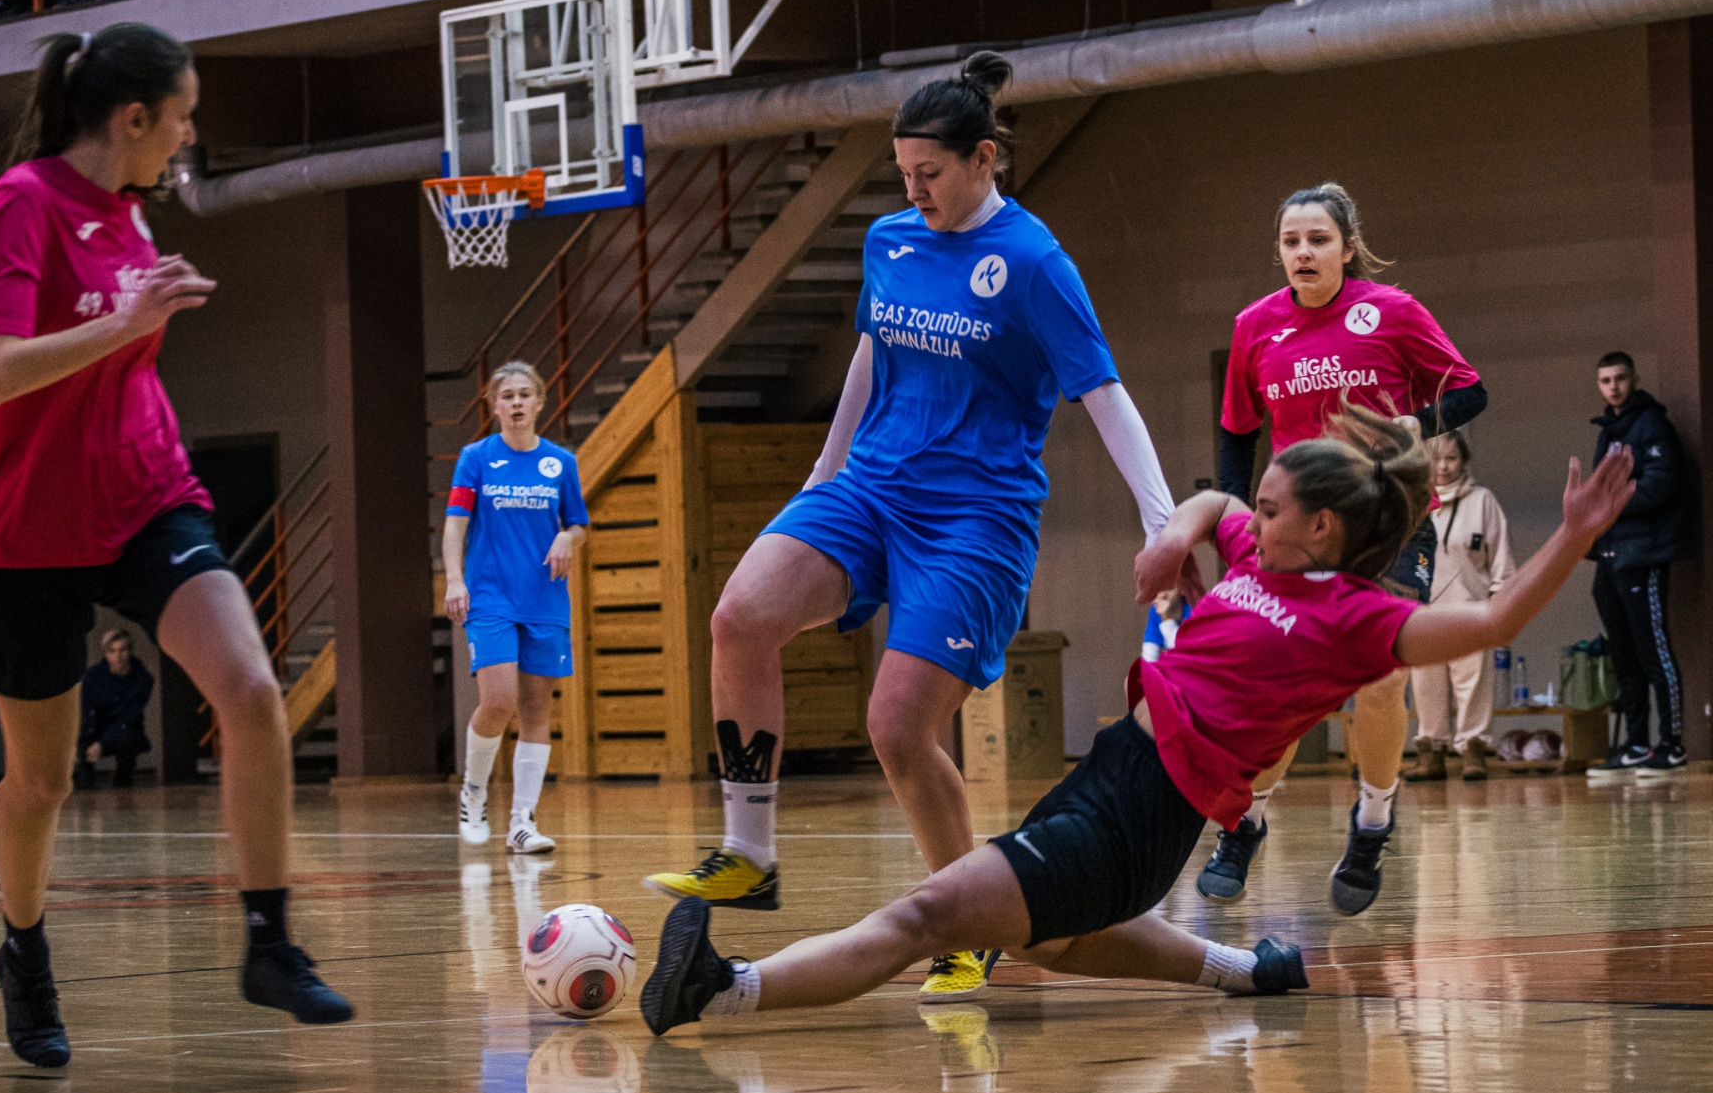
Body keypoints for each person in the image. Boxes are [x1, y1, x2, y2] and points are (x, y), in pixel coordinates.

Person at [639, 411, 1637, 1037]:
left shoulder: (1356, 620)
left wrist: (1576, 534)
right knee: (1058, 944)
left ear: (1322, 528)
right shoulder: (1257, 554)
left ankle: (722, 989)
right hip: (1112, 771)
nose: (1256, 514)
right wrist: (1170, 540)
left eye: (1275, 507)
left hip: (1144, 817)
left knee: (930, 916)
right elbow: (1211, 501)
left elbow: (1494, 622)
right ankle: (1247, 972)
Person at [644, 52, 1179, 1003]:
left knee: (896, 727)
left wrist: (1162, 523)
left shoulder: (1034, 262)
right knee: (740, 616)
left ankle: (968, 923)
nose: (912, 190)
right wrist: (823, 472)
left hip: (975, 519)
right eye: (902, 173)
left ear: (983, 160)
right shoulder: (889, 239)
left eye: (928, 173)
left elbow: (1104, 394)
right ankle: (749, 853)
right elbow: (871, 353)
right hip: (871, 487)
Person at [0, 23, 352, 1069]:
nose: (188, 135)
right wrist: (125, 321)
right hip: (30, 528)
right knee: (42, 785)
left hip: (147, 495)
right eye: (180, 117)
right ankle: (24, 948)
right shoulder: (23, 203)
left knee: (252, 691)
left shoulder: (133, 214)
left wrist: (142, 308)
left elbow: (125, 343)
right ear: (134, 118)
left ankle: (269, 942)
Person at [1199, 182, 1485, 915]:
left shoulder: (1392, 311)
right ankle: (1246, 820)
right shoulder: (1255, 326)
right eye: (1291, 241)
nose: (1303, 252)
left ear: (1347, 247)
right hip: (1300, 528)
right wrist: (1236, 515)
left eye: (1318, 239)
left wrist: (1415, 425)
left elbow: (1470, 391)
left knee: (1381, 678)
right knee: (1281, 684)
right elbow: (1237, 432)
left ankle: (1373, 824)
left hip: (1392, 517)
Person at [445, 362, 588, 854]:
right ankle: (474, 791)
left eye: (525, 394)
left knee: (535, 710)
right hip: (490, 596)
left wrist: (568, 538)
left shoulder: (560, 462)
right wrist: (455, 579)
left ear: (540, 402)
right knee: (498, 700)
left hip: (544, 598)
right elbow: (456, 524)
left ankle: (522, 822)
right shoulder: (476, 458)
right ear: (495, 406)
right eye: (507, 396)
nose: (517, 403)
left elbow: (578, 523)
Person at [1585, 351, 1692, 779]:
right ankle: (1635, 744)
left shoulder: (1652, 424)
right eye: (1605, 380)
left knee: (1653, 651)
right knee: (1624, 656)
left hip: (1643, 554)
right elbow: (1598, 491)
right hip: (1611, 555)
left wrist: (1613, 503)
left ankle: (1672, 744)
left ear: (1634, 379)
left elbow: (1661, 483)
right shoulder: (1607, 431)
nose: (1613, 387)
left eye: (1620, 378)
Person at [1407, 429, 1514, 782]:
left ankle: (1473, 750)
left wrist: (1501, 601)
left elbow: (1501, 558)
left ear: (1464, 460)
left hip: (1472, 609)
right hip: (1424, 612)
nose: (1443, 467)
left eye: (1451, 458)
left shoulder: (1483, 501)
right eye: (1435, 459)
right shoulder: (1413, 503)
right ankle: (1431, 752)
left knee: (1474, 683)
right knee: (1426, 684)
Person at [76, 628, 152, 787]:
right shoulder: (91, 677)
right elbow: (85, 711)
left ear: (129, 651)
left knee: (128, 738)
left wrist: (103, 744)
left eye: (122, 650)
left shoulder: (143, 679)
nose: (118, 656)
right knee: (79, 746)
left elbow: (130, 715)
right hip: (94, 728)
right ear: (105, 653)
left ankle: (123, 779)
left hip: (125, 728)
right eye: (112, 651)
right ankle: (84, 780)